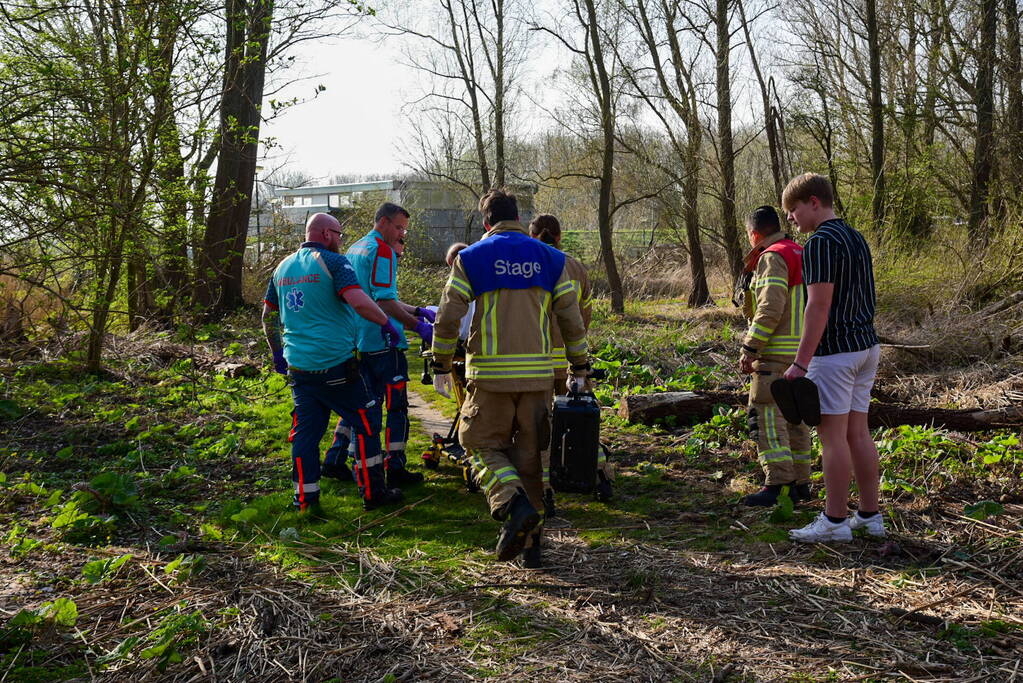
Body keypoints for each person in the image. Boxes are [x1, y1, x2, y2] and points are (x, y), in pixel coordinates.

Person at [430, 189, 589, 568]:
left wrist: (439, 362)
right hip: (537, 379)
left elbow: (449, 316)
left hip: (490, 378)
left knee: (477, 442)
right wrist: (579, 368)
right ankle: (532, 548)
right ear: (518, 217)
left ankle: (511, 502)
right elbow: (571, 319)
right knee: (531, 459)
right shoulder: (552, 258)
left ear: (486, 222)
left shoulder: (471, 258)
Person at [262, 213, 405, 512]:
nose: (341, 240)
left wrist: (277, 353)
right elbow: (359, 300)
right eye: (339, 234)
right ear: (327, 234)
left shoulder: (282, 268)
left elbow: (268, 317)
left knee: (306, 434)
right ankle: (373, 493)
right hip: (337, 366)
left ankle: (305, 500)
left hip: (299, 368)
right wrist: (386, 323)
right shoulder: (334, 262)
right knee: (366, 423)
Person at [780, 173, 884, 543]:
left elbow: (817, 307)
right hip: (866, 347)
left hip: (836, 353)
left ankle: (835, 521)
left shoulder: (820, 242)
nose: (791, 219)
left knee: (832, 438)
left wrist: (800, 363)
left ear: (813, 201)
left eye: (792, 210)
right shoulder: (856, 237)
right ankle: (869, 516)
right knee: (859, 433)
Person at [322, 203, 434, 490]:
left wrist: (417, 308)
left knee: (361, 403)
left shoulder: (356, 248)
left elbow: (370, 296)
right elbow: (383, 302)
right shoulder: (383, 251)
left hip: (358, 340)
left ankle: (335, 458)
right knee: (396, 407)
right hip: (385, 342)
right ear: (383, 222)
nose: (400, 234)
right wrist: (416, 325)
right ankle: (394, 465)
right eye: (398, 227)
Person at [527, 214, 612, 514]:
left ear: (532, 235)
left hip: (536, 361)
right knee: (580, 422)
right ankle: (600, 474)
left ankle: (544, 488)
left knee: (541, 427)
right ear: (560, 236)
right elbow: (583, 317)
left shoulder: (531, 264)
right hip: (571, 360)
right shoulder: (576, 268)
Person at [737, 206, 812, 507]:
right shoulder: (801, 252)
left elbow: (769, 309)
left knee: (766, 416)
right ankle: (801, 484)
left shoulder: (772, 256)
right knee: (795, 420)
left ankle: (779, 484)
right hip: (803, 354)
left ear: (754, 233)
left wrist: (749, 348)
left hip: (775, 355)